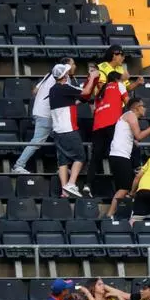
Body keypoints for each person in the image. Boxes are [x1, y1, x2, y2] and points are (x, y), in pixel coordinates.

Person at [13, 58, 76, 174]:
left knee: (60, 139)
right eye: (73, 64)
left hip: (41, 112)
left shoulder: (49, 74)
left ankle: (62, 168)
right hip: (46, 114)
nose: (74, 66)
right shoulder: (63, 78)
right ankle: (18, 166)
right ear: (66, 66)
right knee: (38, 141)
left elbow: (35, 91)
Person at [49, 62, 98, 198]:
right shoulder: (64, 87)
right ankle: (71, 183)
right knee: (80, 157)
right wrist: (93, 77)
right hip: (69, 130)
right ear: (64, 76)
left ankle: (64, 191)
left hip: (58, 131)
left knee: (63, 161)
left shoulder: (53, 90)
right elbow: (86, 92)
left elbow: (73, 101)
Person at [107, 98, 150, 219]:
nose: (145, 108)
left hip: (119, 155)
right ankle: (109, 214)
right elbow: (139, 136)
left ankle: (123, 212)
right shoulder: (131, 116)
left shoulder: (128, 116)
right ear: (136, 107)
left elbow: (132, 137)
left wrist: (133, 142)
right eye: (143, 106)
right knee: (124, 188)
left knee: (126, 187)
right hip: (120, 155)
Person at [83, 71, 130, 198]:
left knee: (95, 157)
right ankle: (122, 188)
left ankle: (87, 185)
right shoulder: (118, 85)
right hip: (113, 124)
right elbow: (128, 102)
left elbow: (94, 111)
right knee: (116, 154)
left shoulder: (99, 92)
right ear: (117, 79)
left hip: (98, 126)